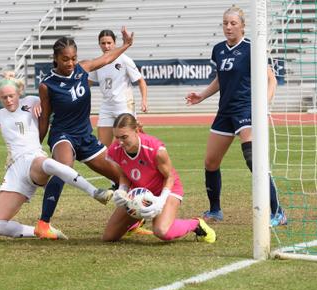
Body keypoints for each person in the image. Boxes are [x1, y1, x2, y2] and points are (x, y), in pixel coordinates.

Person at [37, 27, 146, 239]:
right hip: (63, 135)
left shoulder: (82, 68)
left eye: (73, 58)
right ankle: (43, 223)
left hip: (86, 138)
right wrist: (35, 146)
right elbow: (44, 118)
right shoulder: (47, 85)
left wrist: (126, 45)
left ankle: (134, 219)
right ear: (56, 59)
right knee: (63, 168)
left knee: (123, 175)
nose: (70, 63)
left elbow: (106, 58)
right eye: (65, 59)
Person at [185, 6, 286, 227]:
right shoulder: (219, 49)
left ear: (243, 25)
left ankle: (277, 211)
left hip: (246, 110)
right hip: (225, 112)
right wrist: (201, 96)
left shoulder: (252, 48)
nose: (228, 27)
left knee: (253, 159)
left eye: (233, 23)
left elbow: (271, 80)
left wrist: (263, 106)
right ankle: (215, 210)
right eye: (225, 23)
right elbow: (221, 79)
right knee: (211, 162)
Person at [0, 72, 114, 240]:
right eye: (4, 97)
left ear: (19, 93)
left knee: (51, 164)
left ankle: (95, 192)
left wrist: (41, 104)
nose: (8, 100)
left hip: (33, 158)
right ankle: (38, 231)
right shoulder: (0, 114)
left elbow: (51, 101)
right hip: (14, 170)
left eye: (11, 96)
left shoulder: (31, 101)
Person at [102, 113, 216, 243]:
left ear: (136, 131)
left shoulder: (155, 149)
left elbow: (169, 177)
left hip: (167, 190)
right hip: (140, 194)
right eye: (117, 137)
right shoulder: (115, 150)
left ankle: (196, 224)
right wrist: (122, 189)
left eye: (124, 137)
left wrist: (161, 201)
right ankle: (137, 220)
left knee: (161, 231)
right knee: (109, 237)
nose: (120, 142)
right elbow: (124, 174)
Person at [88, 29, 148, 147]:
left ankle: (149, 156)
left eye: (109, 43)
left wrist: (144, 100)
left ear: (114, 43)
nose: (106, 46)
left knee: (131, 144)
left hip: (123, 106)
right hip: (106, 107)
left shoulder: (124, 60)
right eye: (103, 43)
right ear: (99, 44)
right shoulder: (97, 62)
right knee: (102, 148)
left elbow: (141, 81)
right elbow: (87, 84)